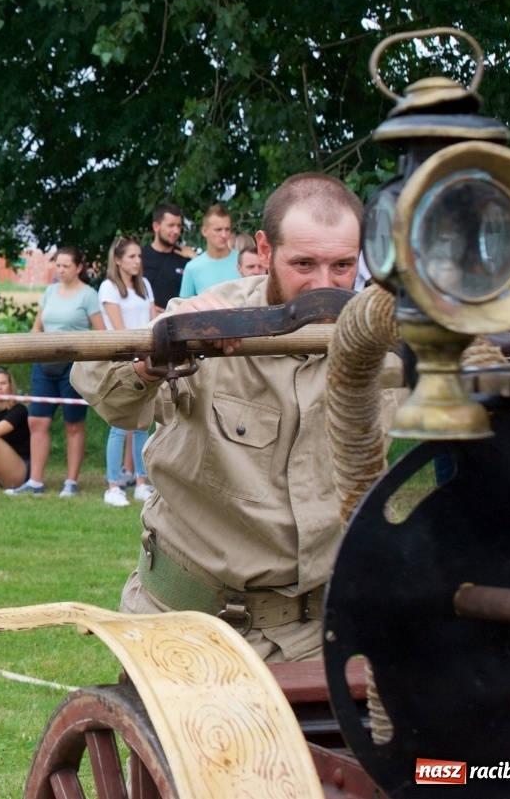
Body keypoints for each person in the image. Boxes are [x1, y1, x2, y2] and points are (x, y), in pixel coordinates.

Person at [73, 173, 396, 662]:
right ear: (265, 250)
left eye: (343, 266)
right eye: (304, 264)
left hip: (323, 637)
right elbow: (109, 395)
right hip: (189, 627)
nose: (324, 287)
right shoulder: (207, 320)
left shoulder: (387, 336)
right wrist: (159, 345)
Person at [8, 245, 104, 498]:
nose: (60, 270)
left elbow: (102, 333)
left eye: (66, 266)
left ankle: (70, 482)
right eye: (58, 265)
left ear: (79, 268)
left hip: (74, 367)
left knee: (73, 423)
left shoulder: (88, 295)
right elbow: (37, 327)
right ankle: (36, 482)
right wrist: (37, 347)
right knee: (36, 421)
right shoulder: (50, 291)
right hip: (44, 364)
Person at [98, 237, 159, 507]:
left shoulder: (145, 286)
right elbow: (119, 328)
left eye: (139, 256)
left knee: (143, 423)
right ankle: (113, 486)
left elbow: (150, 321)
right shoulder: (109, 288)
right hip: (123, 359)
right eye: (131, 256)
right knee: (119, 427)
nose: (137, 261)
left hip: (146, 357)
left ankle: (141, 482)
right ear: (118, 260)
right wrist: (136, 354)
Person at [178, 203, 240, 297]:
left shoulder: (242, 261)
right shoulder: (193, 267)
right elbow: (183, 307)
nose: (224, 235)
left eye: (227, 229)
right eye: (218, 230)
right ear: (205, 231)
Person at [141, 203, 195, 309]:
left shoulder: (185, 258)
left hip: (178, 320)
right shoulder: (140, 257)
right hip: (145, 322)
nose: (176, 231)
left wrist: (195, 257)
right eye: (171, 226)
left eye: (179, 226)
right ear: (156, 226)